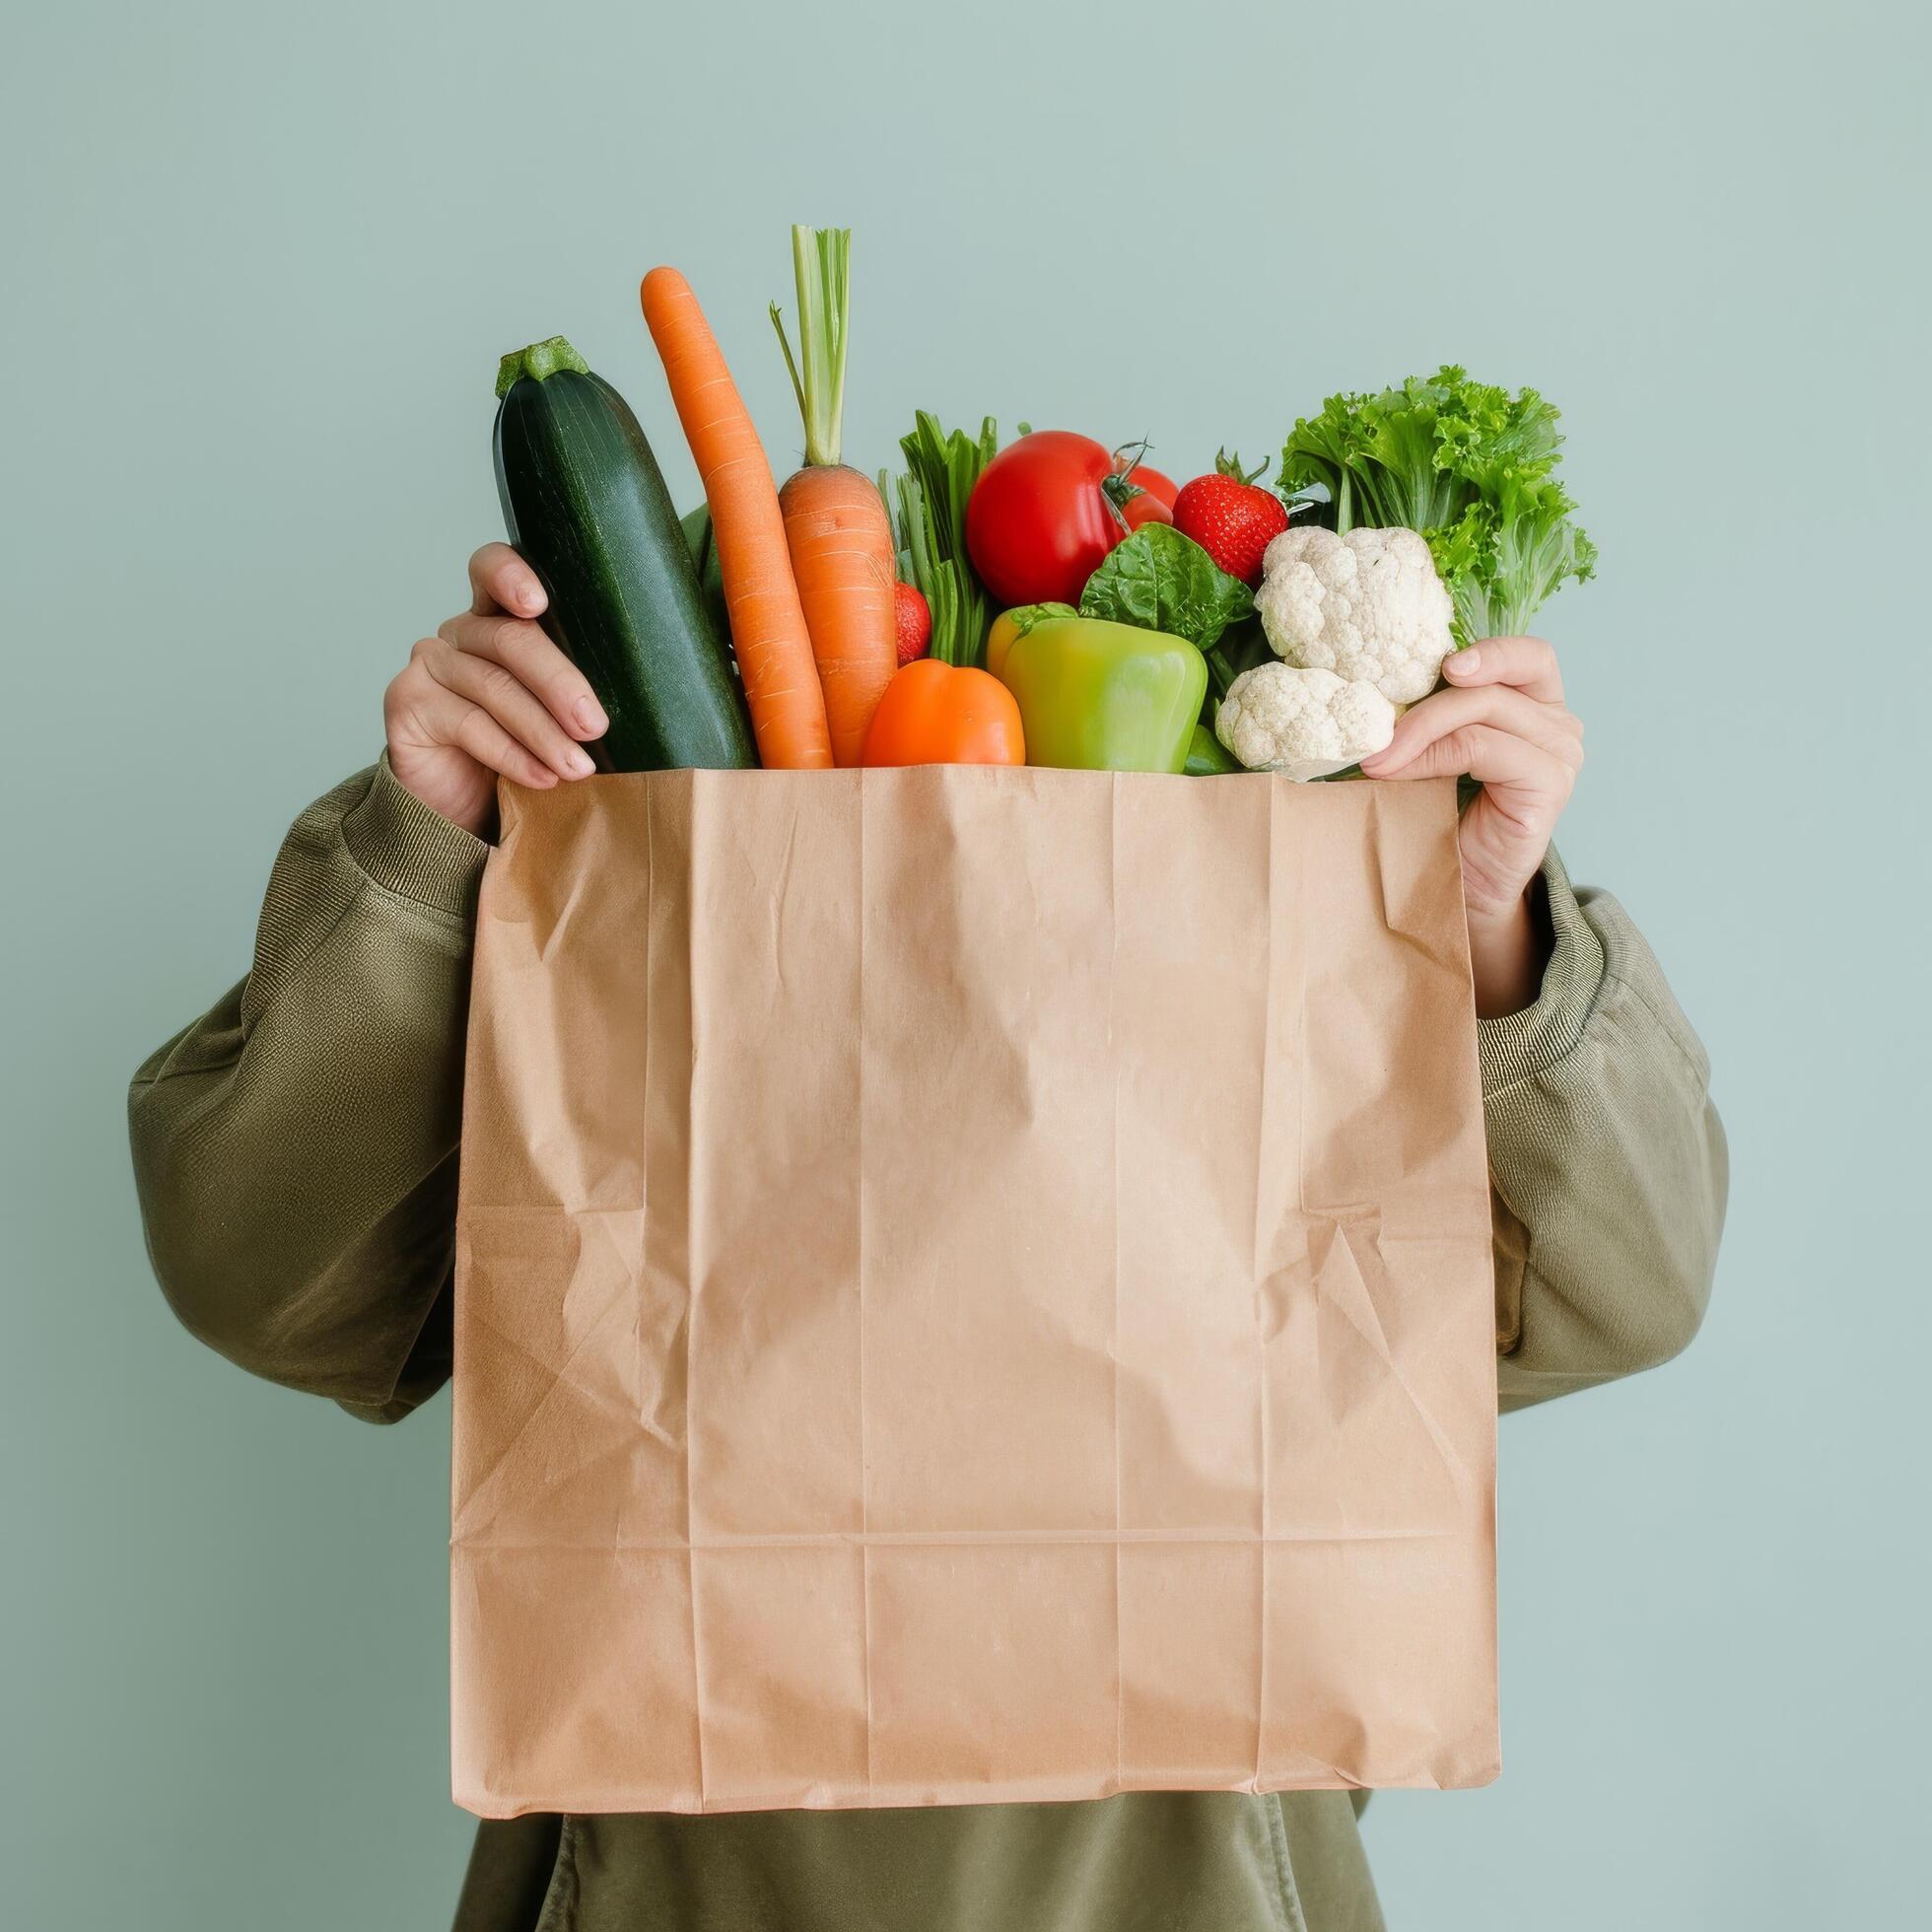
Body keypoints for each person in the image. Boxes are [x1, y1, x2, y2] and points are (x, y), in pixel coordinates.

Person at [127, 544, 1727, 1932]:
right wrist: (427, 843)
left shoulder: (1273, 1025)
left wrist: (1485, 932)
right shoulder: (604, 950)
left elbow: (1628, 1291)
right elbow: (278, 1292)